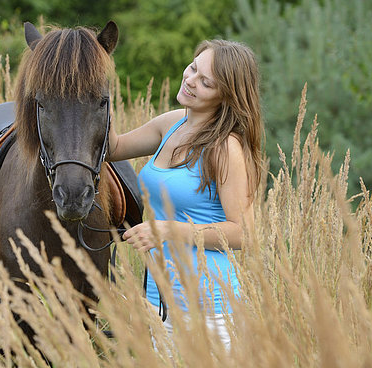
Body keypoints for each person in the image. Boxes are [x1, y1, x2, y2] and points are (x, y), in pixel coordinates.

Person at [107, 39, 264, 348]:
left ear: (225, 96)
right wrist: (92, 90)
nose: (191, 80)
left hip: (209, 307)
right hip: (160, 297)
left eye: (205, 82)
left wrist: (168, 230)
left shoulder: (224, 148)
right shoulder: (171, 123)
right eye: (193, 68)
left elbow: (244, 234)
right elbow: (112, 148)